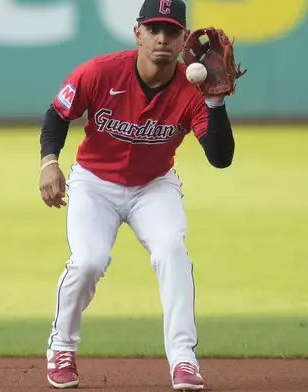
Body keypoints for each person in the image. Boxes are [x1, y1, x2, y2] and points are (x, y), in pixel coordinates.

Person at [38, 0, 237, 389]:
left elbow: (220, 158)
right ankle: (61, 347)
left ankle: (184, 360)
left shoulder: (193, 89)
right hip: (94, 183)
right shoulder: (100, 71)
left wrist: (215, 102)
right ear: (138, 34)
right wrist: (49, 163)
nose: (162, 38)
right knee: (89, 261)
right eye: (154, 29)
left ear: (183, 41)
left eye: (172, 32)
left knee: (172, 252)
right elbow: (58, 114)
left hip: (154, 185)